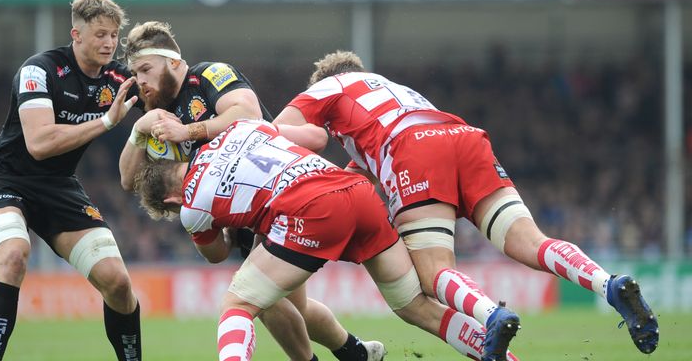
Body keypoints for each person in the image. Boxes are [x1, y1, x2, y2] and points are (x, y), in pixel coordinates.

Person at [273, 50, 660, 357]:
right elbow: (368, 168)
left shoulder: (326, 89)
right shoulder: (389, 90)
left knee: (433, 274)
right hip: (461, 134)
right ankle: (610, 283)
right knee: (531, 242)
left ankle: (492, 315)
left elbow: (276, 135)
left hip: (414, 148)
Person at [132, 118, 521, 361]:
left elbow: (217, 255)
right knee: (415, 304)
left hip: (310, 212)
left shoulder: (191, 205)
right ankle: (498, 354)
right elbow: (313, 137)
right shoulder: (241, 128)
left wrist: (230, 226)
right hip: (355, 192)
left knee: (239, 302)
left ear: (169, 198)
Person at [117, 21, 381, 361]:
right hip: (238, 208)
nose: (140, 80)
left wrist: (187, 131)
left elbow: (247, 112)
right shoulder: (154, 111)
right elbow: (128, 180)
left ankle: (341, 354)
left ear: (174, 63)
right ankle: (354, 351)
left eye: (145, 69)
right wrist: (138, 132)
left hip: (274, 192)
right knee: (290, 303)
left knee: (263, 298)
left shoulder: (209, 75)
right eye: (135, 72)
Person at [0, 0, 142, 361]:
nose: (109, 43)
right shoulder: (40, 70)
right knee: (15, 255)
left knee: (118, 282)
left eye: (114, 35)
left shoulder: (119, 78)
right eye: (99, 34)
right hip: (5, 179)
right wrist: (107, 122)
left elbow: (167, 96)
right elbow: (39, 143)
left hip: (58, 185)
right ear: (76, 35)